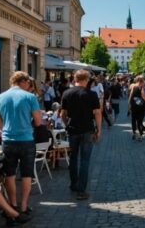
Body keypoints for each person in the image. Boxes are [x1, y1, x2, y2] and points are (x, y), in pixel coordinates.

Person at [0, 71, 41, 216]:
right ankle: (24, 205)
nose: (29, 86)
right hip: (26, 139)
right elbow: (38, 122)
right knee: (27, 174)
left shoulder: (0, 97)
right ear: (24, 82)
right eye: (28, 84)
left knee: (10, 174)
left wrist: (7, 129)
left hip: (8, 140)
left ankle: (13, 204)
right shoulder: (30, 97)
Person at [60, 70, 102, 200]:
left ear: (75, 79)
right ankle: (81, 190)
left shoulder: (67, 93)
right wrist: (99, 130)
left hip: (73, 130)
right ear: (87, 79)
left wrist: (67, 123)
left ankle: (73, 183)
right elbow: (97, 113)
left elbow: (63, 114)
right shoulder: (91, 94)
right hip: (87, 130)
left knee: (73, 158)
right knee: (85, 160)